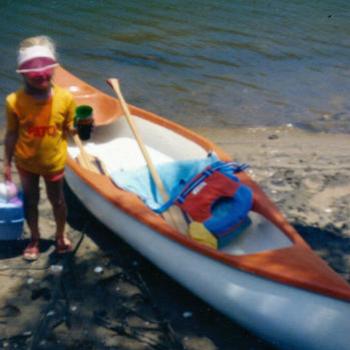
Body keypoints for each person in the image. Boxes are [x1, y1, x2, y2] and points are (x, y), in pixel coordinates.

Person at [3, 35, 76, 260]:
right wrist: (6, 163)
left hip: (53, 162)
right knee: (31, 200)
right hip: (25, 163)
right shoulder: (14, 101)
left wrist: (84, 128)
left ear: (54, 69)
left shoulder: (65, 98)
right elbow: (12, 133)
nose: (42, 76)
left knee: (58, 200)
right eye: (35, 74)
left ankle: (60, 235)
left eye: (47, 71)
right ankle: (34, 238)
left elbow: (70, 130)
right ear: (23, 73)